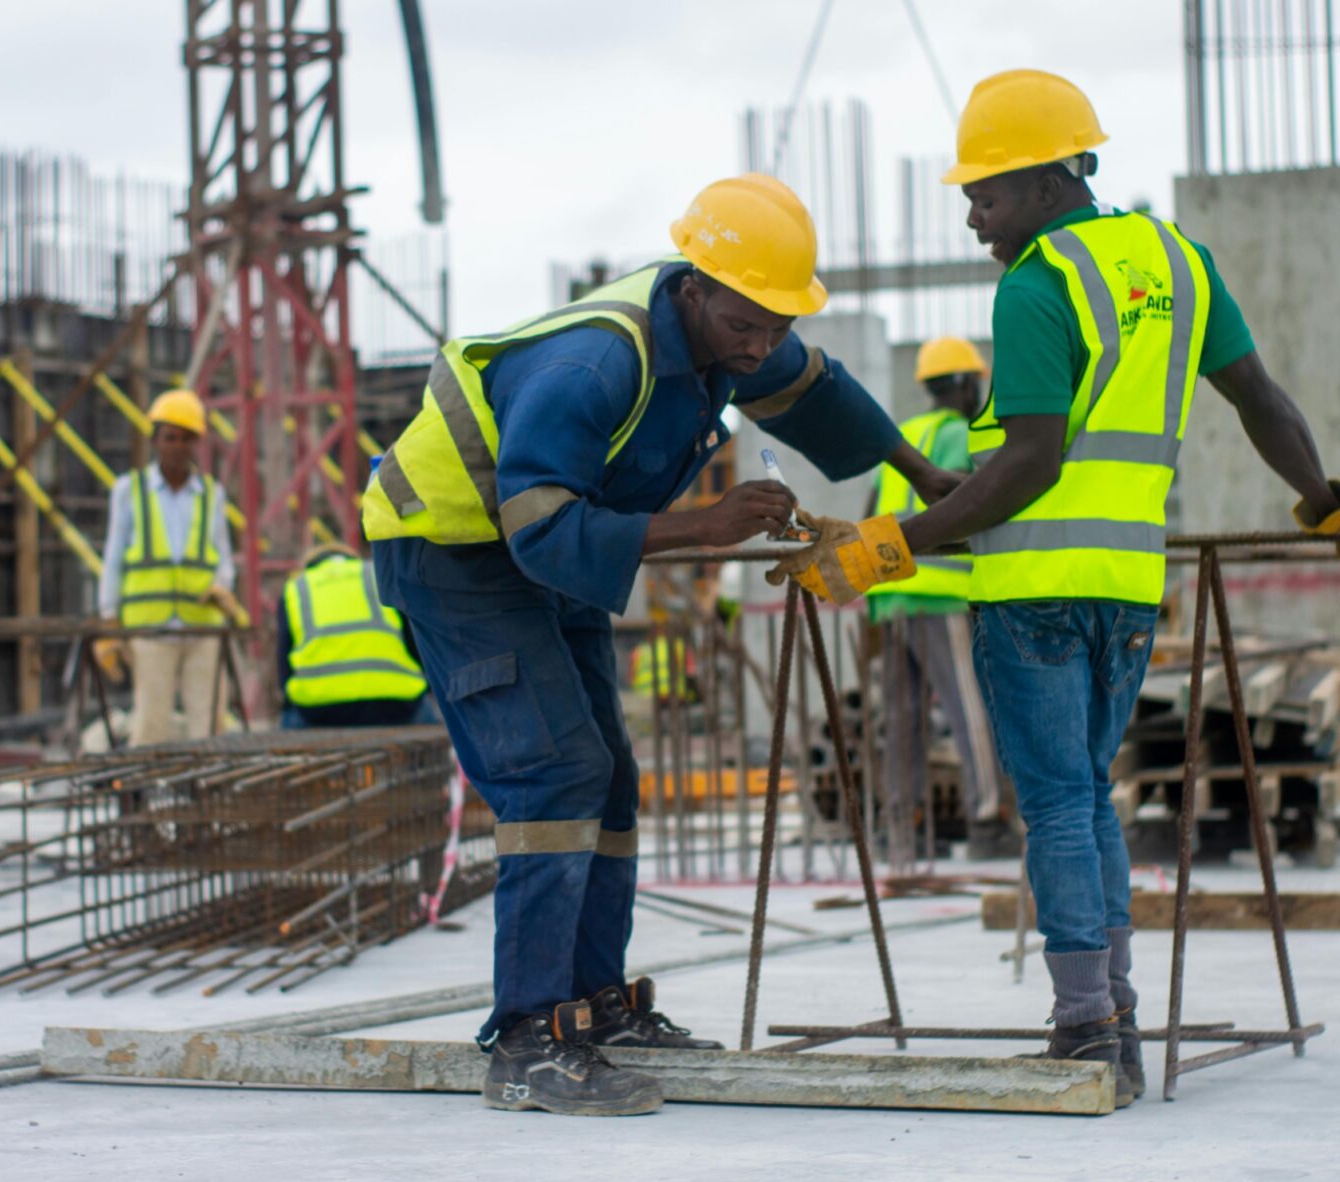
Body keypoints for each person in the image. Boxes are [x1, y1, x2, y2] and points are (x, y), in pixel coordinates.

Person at [769, 69, 1340, 1107]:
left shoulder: (1034, 284)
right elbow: (1261, 400)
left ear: (1054, 178)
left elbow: (1029, 464)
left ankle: (1086, 1030)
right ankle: (1114, 1012)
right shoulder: (1178, 260)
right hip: (1125, 589)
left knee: (1058, 803)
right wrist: (1327, 502)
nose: (974, 216)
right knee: (1090, 798)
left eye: (988, 193)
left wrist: (890, 547)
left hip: (1034, 593)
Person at [363, 173, 940, 1117]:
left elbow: (818, 396)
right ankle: (526, 1040)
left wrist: (928, 478)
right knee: (555, 772)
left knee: (611, 779)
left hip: (552, 540)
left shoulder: (737, 326)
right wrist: (705, 527)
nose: (758, 349)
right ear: (693, 290)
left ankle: (594, 1010)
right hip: (456, 547)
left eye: (772, 328)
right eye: (744, 327)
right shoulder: (596, 365)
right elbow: (539, 527)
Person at [865, 338, 1007, 856]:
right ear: (968, 383)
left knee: (902, 718)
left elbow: (870, 508)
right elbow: (976, 500)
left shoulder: (903, 436)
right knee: (969, 709)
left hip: (891, 596)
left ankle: (901, 829)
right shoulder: (959, 434)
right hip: (940, 593)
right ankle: (987, 823)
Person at [96, 390, 244, 747]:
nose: (178, 446)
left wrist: (223, 586)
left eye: (187, 438)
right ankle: (142, 799)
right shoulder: (129, 490)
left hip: (202, 625)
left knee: (208, 725)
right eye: (171, 437)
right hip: (151, 628)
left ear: (198, 444)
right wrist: (109, 619)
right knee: (150, 723)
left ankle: (209, 797)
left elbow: (222, 555)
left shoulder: (212, 494)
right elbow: (114, 556)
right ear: (156, 440)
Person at [276, 543, 430, 728]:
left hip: (320, 709)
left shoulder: (295, 589)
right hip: (394, 703)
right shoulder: (377, 574)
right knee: (431, 718)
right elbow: (415, 642)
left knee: (289, 717)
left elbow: (284, 661)